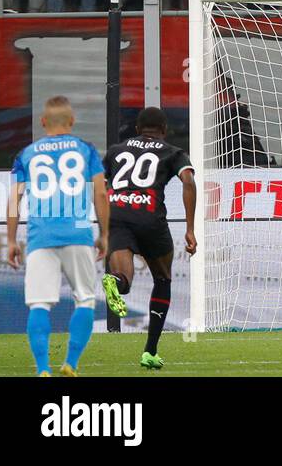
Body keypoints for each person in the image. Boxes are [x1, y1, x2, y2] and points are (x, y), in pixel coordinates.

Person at [6, 95, 108, 377]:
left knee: (40, 303)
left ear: (42, 122)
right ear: (72, 122)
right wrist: (104, 233)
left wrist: (12, 239)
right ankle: (71, 364)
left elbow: (14, 198)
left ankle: (42, 369)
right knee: (85, 299)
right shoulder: (86, 150)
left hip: (41, 234)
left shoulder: (26, 154)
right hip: (77, 231)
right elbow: (100, 192)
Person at [99, 106, 196, 371]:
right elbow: (188, 181)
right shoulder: (172, 151)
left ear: (137, 129)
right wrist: (190, 229)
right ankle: (150, 351)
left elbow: (99, 182)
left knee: (124, 280)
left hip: (116, 213)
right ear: (164, 130)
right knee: (162, 279)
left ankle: (115, 282)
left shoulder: (116, 150)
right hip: (149, 217)